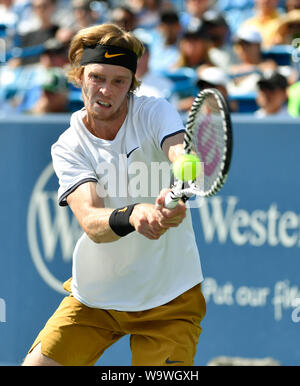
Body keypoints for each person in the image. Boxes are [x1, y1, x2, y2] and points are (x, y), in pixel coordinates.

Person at [22, 23, 206, 367]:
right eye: (96, 77)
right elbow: (92, 222)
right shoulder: (68, 146)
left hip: (170, 300)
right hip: (96, 298)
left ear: (131, 85)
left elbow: (179, 151)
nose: (105, 90)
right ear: (79, 76)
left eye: (119, 81)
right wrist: (135, 214)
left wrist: (183, 171)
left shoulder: (154, 111)